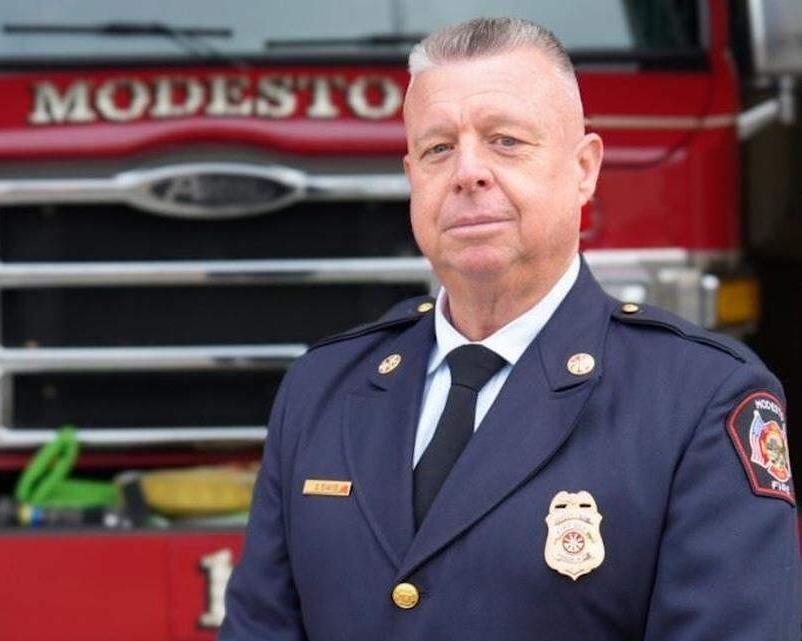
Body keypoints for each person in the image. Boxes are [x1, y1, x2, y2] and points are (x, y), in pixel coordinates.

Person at [219, 16, 800, 641]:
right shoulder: (322, 389)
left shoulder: (701, 400)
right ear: (413, 175)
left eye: (506, 141)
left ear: (584, 169)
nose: (468, 172)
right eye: (439, 148)